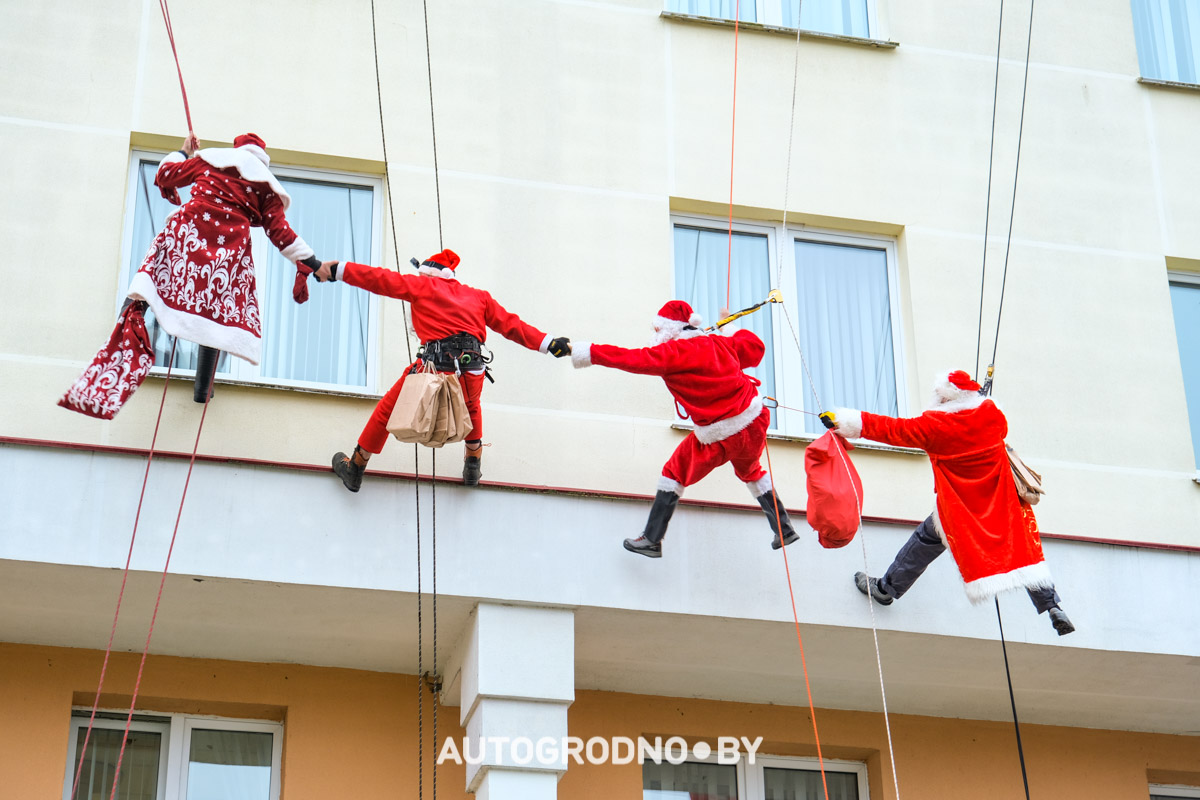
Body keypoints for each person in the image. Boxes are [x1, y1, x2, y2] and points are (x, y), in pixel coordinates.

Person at [60, 132, 322, 418]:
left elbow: (166, 174)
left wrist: (183, 153)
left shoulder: (210, 163)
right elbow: (280, 234)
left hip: (187, 239)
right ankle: (202, 388)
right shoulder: (265, 189)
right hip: (225, 256)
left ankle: (130, 320)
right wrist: (310, 259)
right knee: (216, 309)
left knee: (152, 277)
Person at [823, 370, 1074, 635]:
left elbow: (891, 429)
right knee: (1024, 553)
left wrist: (843, 421)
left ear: (943, 396)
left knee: (925, 540)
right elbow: (996, 425)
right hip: (1001, 500)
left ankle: (887, 589)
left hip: (960, 506)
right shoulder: (991, 415)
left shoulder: (933, 427)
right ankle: (1052, 606)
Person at [314, 250, 570, 490]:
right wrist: (549, 343)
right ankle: (472, 466)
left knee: (387, 410)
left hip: (436, 366)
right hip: (473, 367)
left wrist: (338, 270)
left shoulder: (422, 285)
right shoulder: (479, 296)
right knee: (471, 407)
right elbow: (511, 325)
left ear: (427, 274)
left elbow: (381, 279)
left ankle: (355, 468)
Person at [571, 300, 798, 557]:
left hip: (721, 434)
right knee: (751, 471)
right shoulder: (717, 343)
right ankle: (784, 529)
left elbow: (631, 359)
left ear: (669, 329)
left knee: (674, 472)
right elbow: (755, 348)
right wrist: (729, 327)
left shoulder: (672, 353)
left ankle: (652, 539)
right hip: (754, 422)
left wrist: (586, 351)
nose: (654, 335)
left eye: (656, 330)